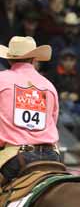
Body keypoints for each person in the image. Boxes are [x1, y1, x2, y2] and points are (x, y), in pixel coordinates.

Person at [0, 36, 60, 185]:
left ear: (9, 60)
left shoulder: (2, 79)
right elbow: (53, 120)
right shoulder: (49, 86)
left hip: (15, 158)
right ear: (34, 60)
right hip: (51, 157)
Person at [47, 47, 80, 115]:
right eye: (65, 60)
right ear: (60, 61)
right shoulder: (52, 74)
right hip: (58, 105)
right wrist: (59, 95)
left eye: (71, 60)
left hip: (76, 105)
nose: (68, 63)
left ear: (75, 61)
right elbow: (46, 92)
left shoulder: (79, 75)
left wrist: (78, 96)